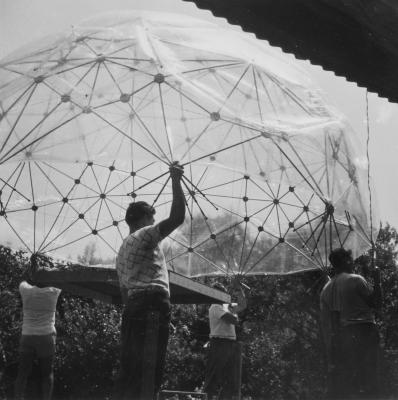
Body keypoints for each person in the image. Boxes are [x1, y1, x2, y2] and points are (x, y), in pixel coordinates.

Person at [115, 162, 185, 400]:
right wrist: (176, 180)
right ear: (143, 218)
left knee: (132, 371)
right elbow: (177, 218)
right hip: (153, 302)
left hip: (133, 308)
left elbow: (124, 294)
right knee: (152, 371)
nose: (152, 222)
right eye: (150, 218)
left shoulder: (122, 252)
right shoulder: (143, 235)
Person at [320, 248, 382, 399]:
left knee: (351, 381)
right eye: (351, 259)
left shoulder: (326, 289)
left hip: (343, 337)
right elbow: (376, 304)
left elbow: (328, 321)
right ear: (347, 261)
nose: (353, 263)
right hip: (364, 330)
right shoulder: (355, 279)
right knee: (370, 377)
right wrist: (377, 280)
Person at [14, 273, 61, 400]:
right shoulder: (54, 291)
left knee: (22, 374)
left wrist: (31, 270)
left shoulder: (26, 290)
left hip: (27, 335)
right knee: (47, 373)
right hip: (46, 336)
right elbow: (63, 281)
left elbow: (22, 279)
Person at [204, 281, 247, 400]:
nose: (225, 294)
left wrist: (239, 290)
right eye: (222, 292)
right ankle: (207, 397)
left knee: (230, 378)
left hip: (228, 343)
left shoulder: (225, 306)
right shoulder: (215, 306)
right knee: (213, 377)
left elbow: (243, 305)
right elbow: (233, 320)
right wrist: (233, 312)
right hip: (219, 343)